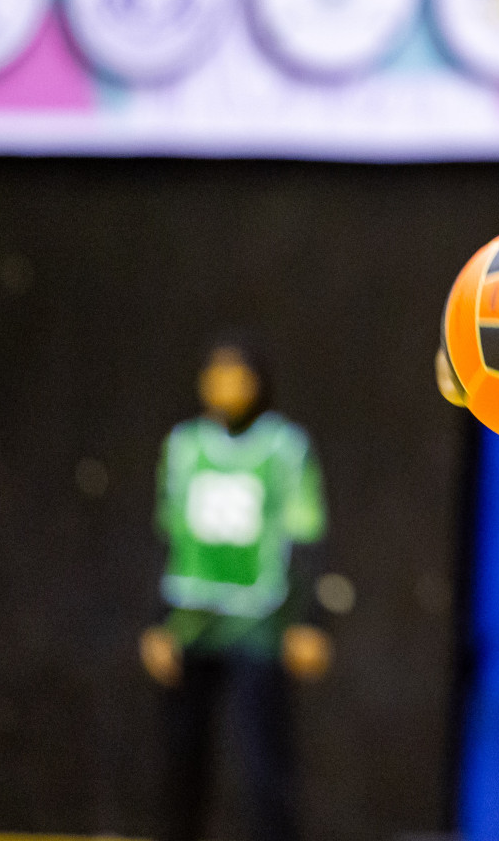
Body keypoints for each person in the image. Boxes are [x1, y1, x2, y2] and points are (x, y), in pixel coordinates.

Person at [140, 340, 331, 841]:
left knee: (264, 761)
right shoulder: (183, 446)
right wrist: (155, 622)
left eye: (237, 373)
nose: (226, 384)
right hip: (190, 619)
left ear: (259, 381)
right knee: (180, 761)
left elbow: (307, 535)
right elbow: (164, 537)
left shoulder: (284, 447)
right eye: (216, 372)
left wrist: (310, 619)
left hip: (259, 620)